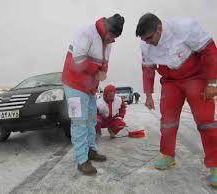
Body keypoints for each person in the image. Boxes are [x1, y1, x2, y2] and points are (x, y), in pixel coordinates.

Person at [136, 13, 217, 187]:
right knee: (168, 121)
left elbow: (209, 50)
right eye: (144, 39)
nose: (147, 42)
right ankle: (167, 156)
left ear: (159, 28)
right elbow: (148, 69)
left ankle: (215, 166)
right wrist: (148, 94)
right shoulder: (145, 44)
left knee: (206, 121)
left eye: (149, 37)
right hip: (170, 81)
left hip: (195, 76)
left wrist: (212, 83)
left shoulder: (185, 27)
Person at [62, 14, 125, 175]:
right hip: (73, 84)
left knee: (90, 120)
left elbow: (105, 64)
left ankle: (91, 150)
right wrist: (97, 72)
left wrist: (103, 72)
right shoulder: (86, 31)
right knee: (79, 122)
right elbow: (78, 59)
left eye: (115, 37)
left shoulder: (108, 42)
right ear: (107, 28)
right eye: (111, 35)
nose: (112, 39)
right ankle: (82, 160)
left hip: (89, 88)